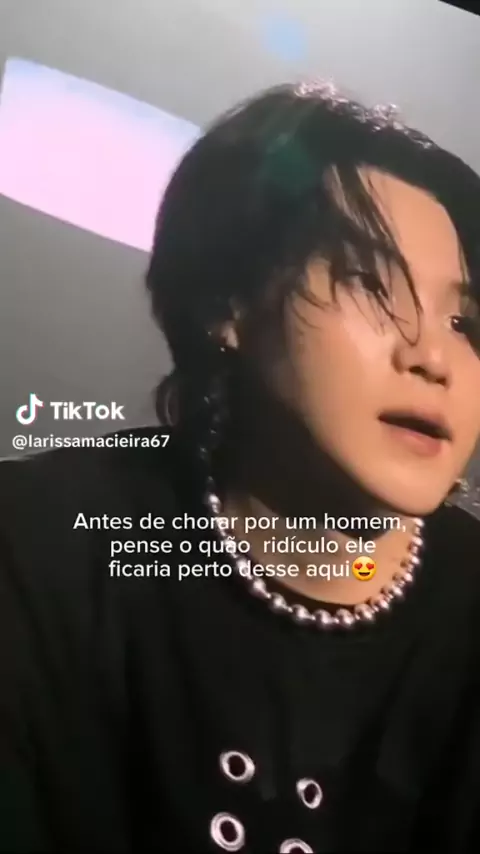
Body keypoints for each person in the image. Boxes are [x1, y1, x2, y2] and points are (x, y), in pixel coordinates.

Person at [1, 80, 480, 854]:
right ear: (228, 303)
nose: (433, 356)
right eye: (371, 284)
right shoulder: (41, 544)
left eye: (463, 320)